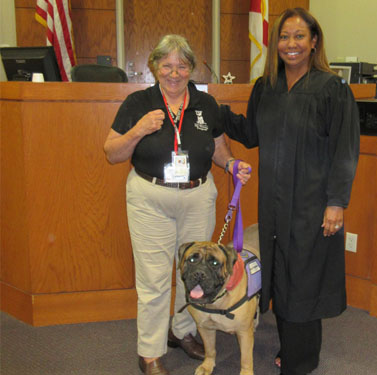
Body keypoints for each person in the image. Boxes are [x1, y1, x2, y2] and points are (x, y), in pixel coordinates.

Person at [219, 8, 360, 375]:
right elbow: (252, 134)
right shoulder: (266, 87)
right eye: (284, 37)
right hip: (274, 202)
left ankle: (301, 359)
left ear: (314, 42)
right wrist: (216, 114)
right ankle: (292, 347)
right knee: (281, 274)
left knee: (305, 278)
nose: (291, 44)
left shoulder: (332, 89)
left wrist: (336, 203)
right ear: (275, 43)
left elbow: (344, 151)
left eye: (300, 36)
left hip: (313, 204)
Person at [104, 34, 251, 375]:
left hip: (197, 196)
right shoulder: (139, 103)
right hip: (150, 198)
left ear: (191, 69)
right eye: (167, 65)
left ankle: (182, 330)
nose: (174, 73)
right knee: (154, 279)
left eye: (181, 66)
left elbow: (217, 145)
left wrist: (230, 165)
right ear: (155, 67)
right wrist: (138, 131)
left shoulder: (205, 103)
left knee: (194, 271)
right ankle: (150, 352)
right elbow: (112, 153)